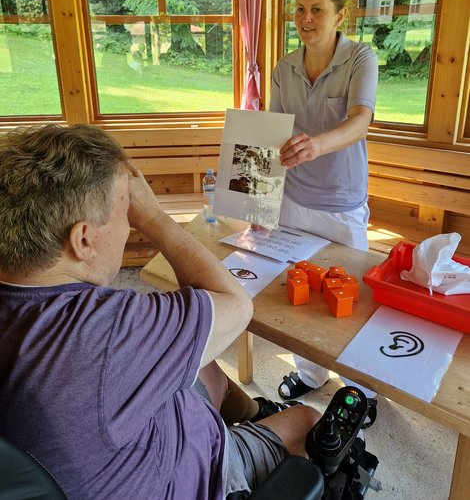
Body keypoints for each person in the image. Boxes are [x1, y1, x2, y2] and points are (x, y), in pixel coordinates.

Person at [0, 124, 321, 500]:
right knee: (310, 420)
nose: (129, 226)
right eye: (126, 210)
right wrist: (154, 216)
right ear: (83, 240)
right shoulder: (108, 329)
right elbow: (235, 305)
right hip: (190, 471)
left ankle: (255, 412)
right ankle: (257, 433)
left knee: (203, 363)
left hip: (118, 442)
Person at [269, 0, 378, 406]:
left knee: (351, 297)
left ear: (341, 15)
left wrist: (316, 144)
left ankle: (361, 389)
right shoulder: (283, 66)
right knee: (297, 293)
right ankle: (310, 374)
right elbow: (273, 131)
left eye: (317, 9)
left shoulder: (360, 58)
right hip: (293, 200)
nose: (305, 18)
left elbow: (360, 120)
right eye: (299, 8)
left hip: (342, 202)